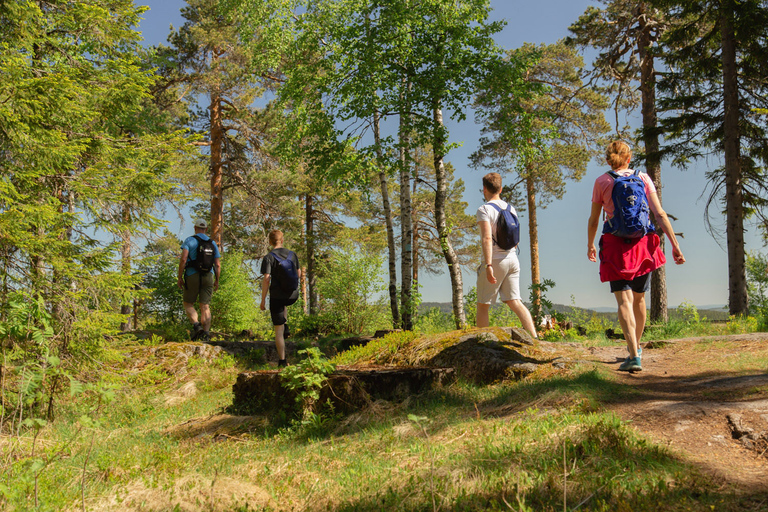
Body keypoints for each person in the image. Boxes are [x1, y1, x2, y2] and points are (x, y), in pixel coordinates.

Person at [587, 141, 685, 372]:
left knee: (624, 301)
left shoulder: (602, 181)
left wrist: (590, 244)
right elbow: (659, 213)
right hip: (643, 245)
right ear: (629, 158)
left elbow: (593, 219)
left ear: (609, 159)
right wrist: (675, 244)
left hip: (615, 246)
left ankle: (633, 354)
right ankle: (636, 347)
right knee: (639, 299)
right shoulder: (644, 178)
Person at [476, 172, 538, 338]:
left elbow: (487, 238)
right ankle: (535, 338)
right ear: (501, 189)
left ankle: (482, 344)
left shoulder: (484, 209)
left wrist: (488, 265)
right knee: (515, 301)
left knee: (483, 304)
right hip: (512, 259)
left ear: (484, 190)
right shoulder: (511, 209)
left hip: (495, 260)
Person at [260, 230, 301, 368]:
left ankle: (282, 361)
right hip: (293, 295)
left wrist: (263, 300)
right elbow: (299, 273)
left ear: (270, 242)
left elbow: (266, 279)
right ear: (282, 240)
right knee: (283, 304)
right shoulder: (292, 254)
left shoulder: (268, 257)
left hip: (277, 297)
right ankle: (286, 325)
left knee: (278, 330)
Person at [177, 218, 221, 341]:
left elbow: (183, 259)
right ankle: (206, 334)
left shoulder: (189, 240)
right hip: (209, 276)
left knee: (188, 303)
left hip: (192, 275)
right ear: (206, 229)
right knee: (205, 306)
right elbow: (217, 264)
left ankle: (197, 326)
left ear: (195, 228)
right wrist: (217, 280)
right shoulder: (212, 243)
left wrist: (180, 277)